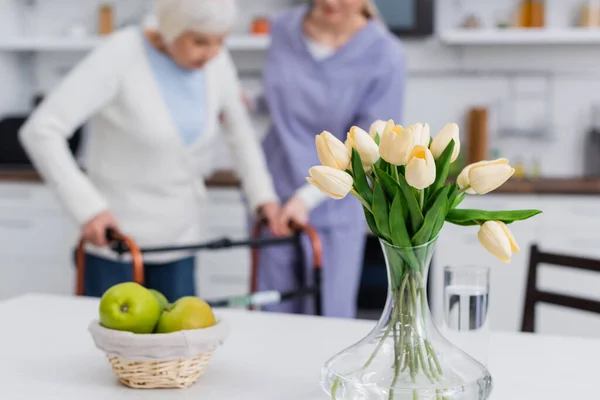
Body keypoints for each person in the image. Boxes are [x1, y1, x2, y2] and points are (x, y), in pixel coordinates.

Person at [19, 0, 283, 303]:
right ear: (171, 29)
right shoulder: (121, 53)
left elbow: (241, 135)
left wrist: (263, 199)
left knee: (180, 343)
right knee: (114, 345)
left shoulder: (215, 62)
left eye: (220, 41)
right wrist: (88, 209)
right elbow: (42, 130)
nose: (212, 53)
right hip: (116, 241)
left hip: (181, 239)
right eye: (199, 41)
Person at [256, 0, 407, 318]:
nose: (331, 2)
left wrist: (309, 196)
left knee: (328, 316)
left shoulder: (385, 55)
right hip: (275, 192)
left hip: (334, 198)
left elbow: (369, 146)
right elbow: (278, 99)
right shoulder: (284, 29)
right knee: (272, 310)